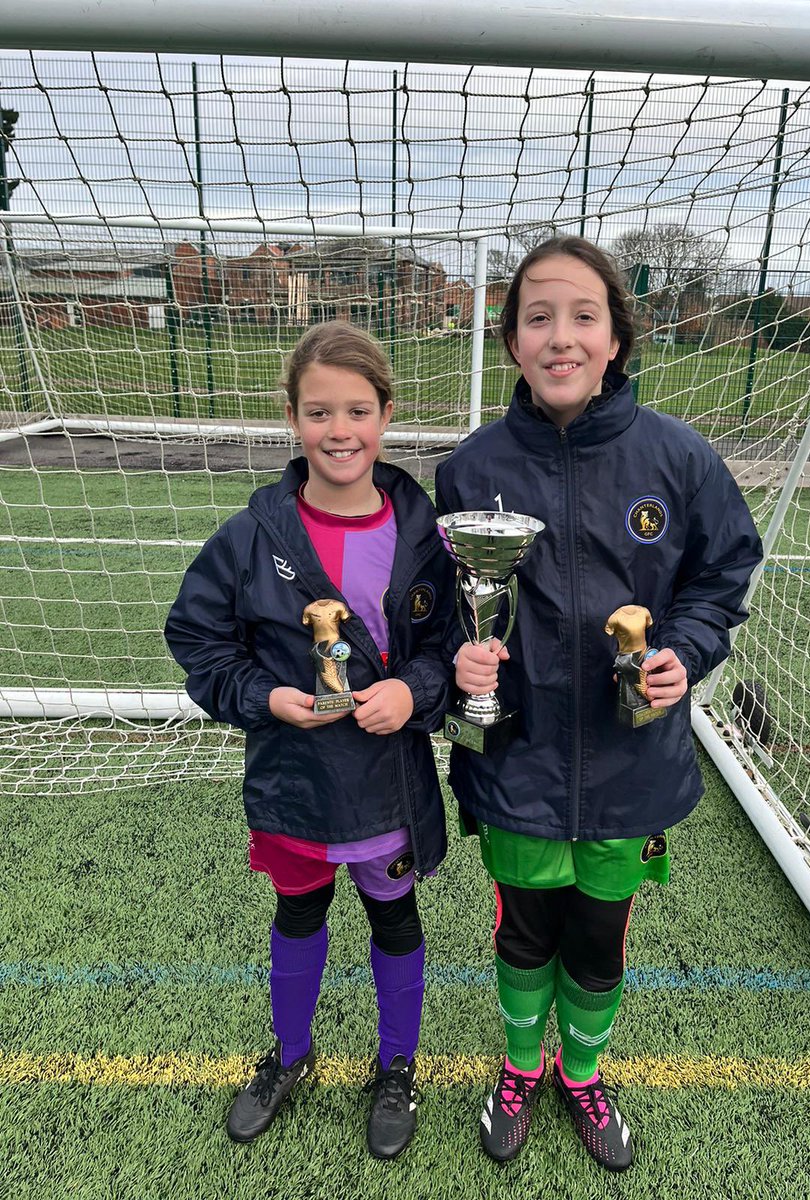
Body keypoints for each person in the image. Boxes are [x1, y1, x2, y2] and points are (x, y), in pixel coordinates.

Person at [434, 237, 762, 1171]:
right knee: (524, 928)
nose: (561, 336)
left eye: (583, 316)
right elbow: (437, 609)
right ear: (511, 343)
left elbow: (723, 574)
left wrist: (684, 655)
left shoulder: (680, 459)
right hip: (520, 764)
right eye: (538, 317)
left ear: (617, 337)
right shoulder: (470, 470)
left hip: (631, 768)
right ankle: (520, 1066)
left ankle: (580, 1072)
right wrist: (459, 668)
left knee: (599, 936)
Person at [165, 321, 455, 1159]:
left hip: (386, 784)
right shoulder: (253, 536)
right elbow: (198, 640)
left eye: (357, 411)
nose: (340, 431)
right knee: (297, 912)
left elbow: (446, 652)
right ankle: (291, 1056)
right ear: (292, 418)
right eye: (320, 411)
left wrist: (413, 690)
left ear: (386, 415)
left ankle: (396, 1067)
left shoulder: (424, 535)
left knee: (394, 920)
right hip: (295, 778)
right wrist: (266, 697)